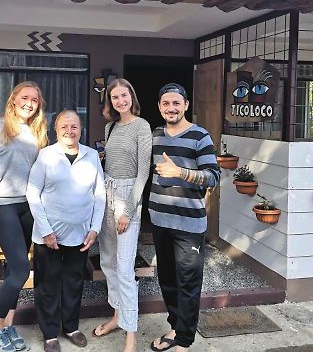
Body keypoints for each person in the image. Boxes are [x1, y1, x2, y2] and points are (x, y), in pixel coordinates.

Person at [0, 81, 48, 352]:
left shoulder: (37, 132)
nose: (30, 103)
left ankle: (8, 326)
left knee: (18, 268)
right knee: (19, 269)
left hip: (28, 207)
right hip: (3, 206)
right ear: (14, 100)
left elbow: (40, 172)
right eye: (25, 97)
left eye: (35, 99)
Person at [26, 110, 106, 352]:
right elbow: (33, 193)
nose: (69, 131)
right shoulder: (46, 156)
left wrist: (95, 229)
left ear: (80, 129)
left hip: (80, 236)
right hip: (47, 235)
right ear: (55, 130)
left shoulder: (92, 156)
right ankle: (50, 333)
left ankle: (70, 327)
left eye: (74, 127)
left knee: (73, 283)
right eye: (64, 127)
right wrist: (46, 231)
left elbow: (99, 194)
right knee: (48, 285)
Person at [149, 83, 220, 352]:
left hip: (188, 225)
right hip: (159, 219)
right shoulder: (155, 135)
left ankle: (185, 343)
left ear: (186, 105)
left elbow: (213, 177)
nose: (171, 108)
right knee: (167, 280)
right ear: (159, 107)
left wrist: (181, 172)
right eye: (166, 103)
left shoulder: (200, 136)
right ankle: (176, 327)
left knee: (188, 283)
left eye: (176, 103)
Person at [93, 78, 152, 352]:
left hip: (129, 198)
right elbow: (108, 164)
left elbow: (143, 173)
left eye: (124, 96)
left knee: (126, 269)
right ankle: (117, 316)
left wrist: (127, 211)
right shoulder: (110, 126)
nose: (120, 101)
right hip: (107, 194)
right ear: (110, 102)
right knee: (108, 263)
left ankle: (131, 333)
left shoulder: (142, 126)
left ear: (132, 96)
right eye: (115, 97)